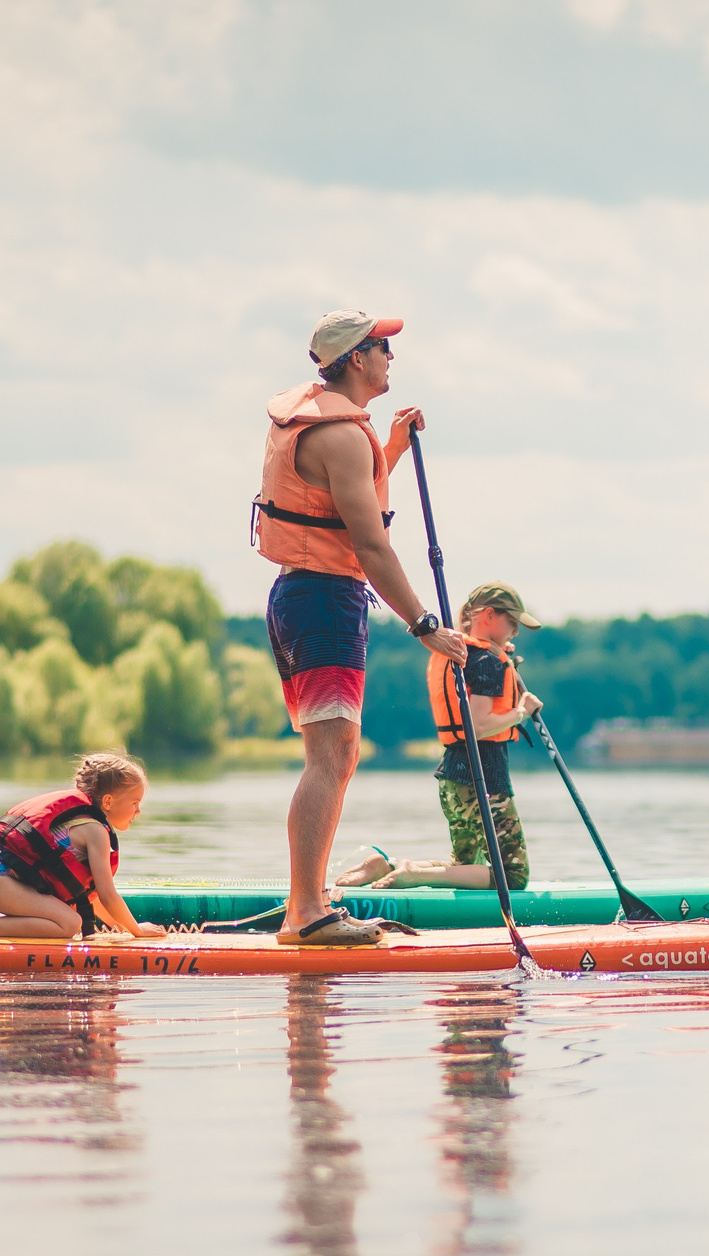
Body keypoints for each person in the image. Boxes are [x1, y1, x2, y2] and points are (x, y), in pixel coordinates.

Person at [253, 309, 468, 946]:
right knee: (332, 759)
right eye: (382, 348)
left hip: (303, 595)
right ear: (354, 358)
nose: (390, 359)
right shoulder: (342, 435)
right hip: (323, 600)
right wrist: (425, 624)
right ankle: (306, 914)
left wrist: (392, 447)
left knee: (334, 758)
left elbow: (345, 498)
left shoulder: (329, 425)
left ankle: (309, 904)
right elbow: (372, 546)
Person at [338, 582, 543, 892]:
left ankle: (388, 866)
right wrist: (521, 712)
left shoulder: (466, 653)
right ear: (488, 615)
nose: (516, 631)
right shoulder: (487, 662)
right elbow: (477, 725)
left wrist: (502, 655)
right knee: (512, 876)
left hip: (453, 778)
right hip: (484, 778)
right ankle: (413, 874)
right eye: (512, 622)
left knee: (463, 866)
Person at [0, 752, 169, 940]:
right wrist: (137, 931)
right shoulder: (96, 831)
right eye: (135, 803)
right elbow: (108, 895)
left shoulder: (83, 823)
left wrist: (119, 927)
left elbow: (93, 897)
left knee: (69, 917)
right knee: (69, 924)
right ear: (108, 801)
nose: (138, 811)